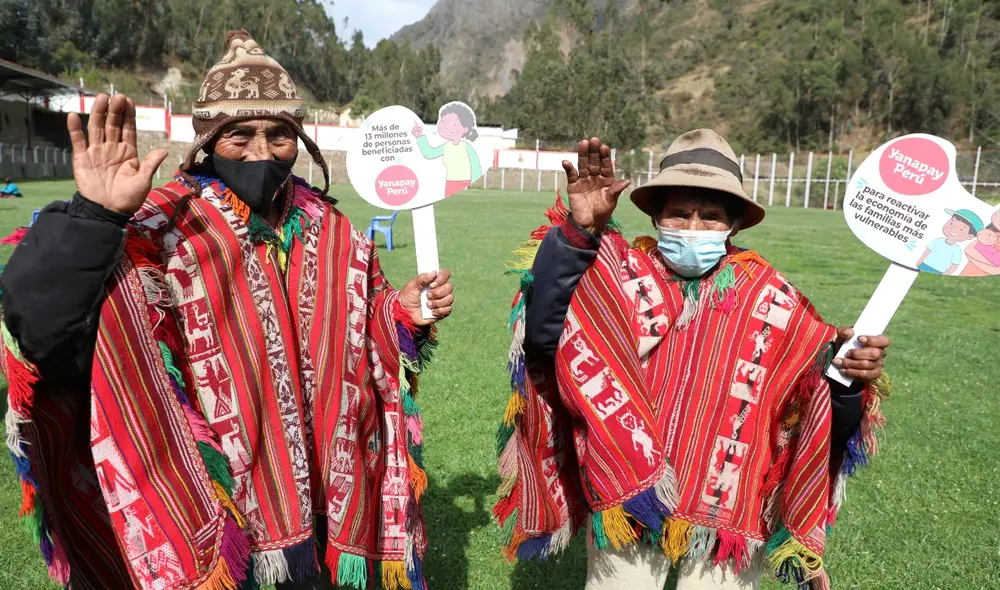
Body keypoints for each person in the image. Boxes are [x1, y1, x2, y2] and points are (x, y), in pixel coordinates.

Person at [0, 31, 453, 590]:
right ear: (209, 139)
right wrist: (95, 218)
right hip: (220, 506)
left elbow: (364, 325)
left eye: (279, 135)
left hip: (322, 505)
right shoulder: (157, 224)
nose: (262, 153)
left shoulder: (331, 226)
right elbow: (38, 324)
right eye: (240, 135)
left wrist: (399, 313)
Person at [495, 132, 892, 590]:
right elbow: (548, 336)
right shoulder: (616, 276)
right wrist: (578, 235)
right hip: (629, 495)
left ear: (734, 226)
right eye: (680, 213)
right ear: (656, 215)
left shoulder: (774, 301)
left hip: (728, 512)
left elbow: (816, 412)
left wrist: (848, 378)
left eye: (711, 216)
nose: (693, 227)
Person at [412, 102, 483, 197]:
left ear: (465, 128)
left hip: (464, 183)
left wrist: (473, 181)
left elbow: (475, 165)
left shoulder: (466, 147)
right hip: (450, 183)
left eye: (454, 124)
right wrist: (420, 137)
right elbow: (429, 153)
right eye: (444, 123)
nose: (447, 128)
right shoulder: (446, 147)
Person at [917, 209, 983, 275]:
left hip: (938, 271)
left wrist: (946, 273)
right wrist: (920, 260)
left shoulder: (956, 250)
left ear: (970, 236)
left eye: (961, 229)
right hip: (925, 265)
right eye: (952, 223)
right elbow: (928, 251)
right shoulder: (938, 241)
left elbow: (955, 265)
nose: (953, 229)